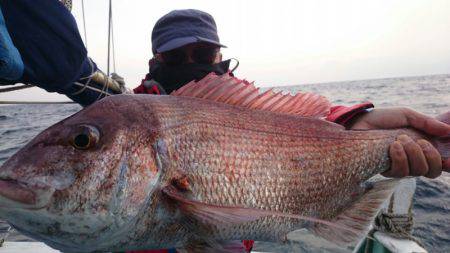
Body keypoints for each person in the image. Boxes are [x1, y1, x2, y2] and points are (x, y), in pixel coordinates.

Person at [131, 9, 450, 253]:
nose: (192, 63)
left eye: (202, 55)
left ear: (218, 56)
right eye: (175, 56)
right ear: (155, 60)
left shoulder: (239, 101)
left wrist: (353, 122)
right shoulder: (129, 116)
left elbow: (297, 119)